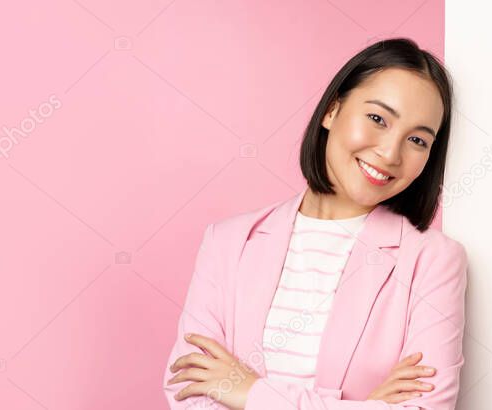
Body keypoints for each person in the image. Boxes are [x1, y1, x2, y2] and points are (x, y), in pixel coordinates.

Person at [162, 37, 468, 410]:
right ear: (332, 110)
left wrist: (249, 391)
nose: (390, 153)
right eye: (377, 119)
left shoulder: (433, 260)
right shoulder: (228, 242)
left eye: (418, 140)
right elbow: (189, 393)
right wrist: (364, 404)